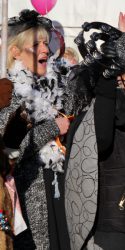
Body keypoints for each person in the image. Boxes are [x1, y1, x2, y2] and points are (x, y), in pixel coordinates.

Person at [64, 11, 125, 250]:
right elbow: (107, 108)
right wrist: (116, 56)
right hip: (109, 232)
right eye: (121, 83)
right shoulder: (95, 120)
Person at [0, 10, 71, 249]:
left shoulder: (53, 85)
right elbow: (9, 152)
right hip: (27, 200)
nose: (45, 49)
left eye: (46, 42)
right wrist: (54, 127)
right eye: (36, 44)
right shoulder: (7, 92)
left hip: (58, 191)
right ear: (15, 52)